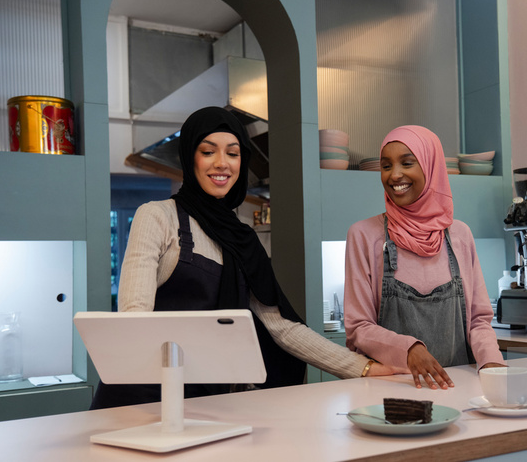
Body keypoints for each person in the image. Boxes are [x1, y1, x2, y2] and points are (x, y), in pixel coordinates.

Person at [90, 106, 393, 409]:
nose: (222, 164)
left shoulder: (243, 239)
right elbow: (134, 319)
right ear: (189, 157)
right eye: (208, 152)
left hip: (206, 403)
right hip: (141, 399)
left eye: (233, 154)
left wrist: (364, 368)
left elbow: (282, 327)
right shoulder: (157, 217)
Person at [344, 125, 506, 391]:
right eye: (386, 166)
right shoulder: (364, 235)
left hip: (456, 386)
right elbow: (359, 328)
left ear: (432, 167)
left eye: (407, 163)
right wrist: (409, 349)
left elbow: (478, 320)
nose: (395, 175)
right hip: (391, 388)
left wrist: (492, 364)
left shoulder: (459, 235)